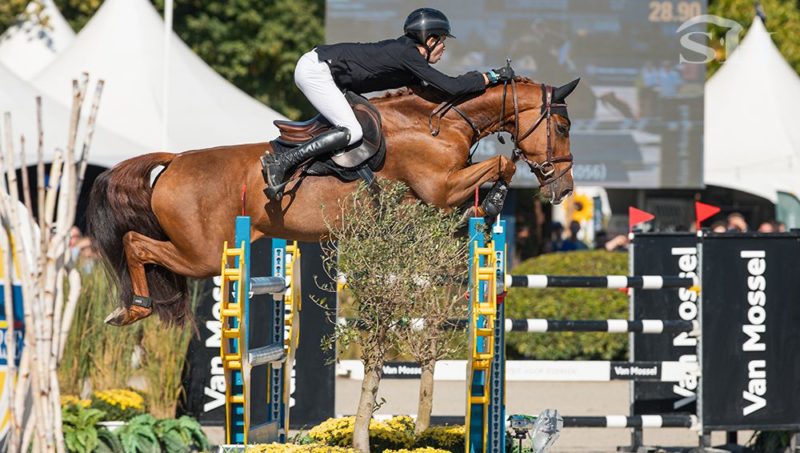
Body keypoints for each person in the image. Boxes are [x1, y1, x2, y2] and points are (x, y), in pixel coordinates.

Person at [262, 8, 514, 200]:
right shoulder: (408, 55)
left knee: (353, 127)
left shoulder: (409, 59)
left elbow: (439, 93)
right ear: (429, 39)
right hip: (317, 70)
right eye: (442, 40)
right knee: (353, 131)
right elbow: (449, 85)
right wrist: (489, 77)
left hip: (327, 72)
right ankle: (282, 163)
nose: (443, 48)